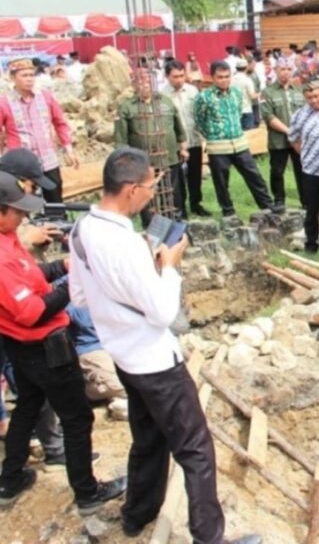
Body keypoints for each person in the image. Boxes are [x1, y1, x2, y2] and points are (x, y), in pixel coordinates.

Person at [69, 148, 261, 544]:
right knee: (195, 449)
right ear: (129, 189)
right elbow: (160, 312)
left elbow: (81, 297)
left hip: (123, 356)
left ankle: (136, 514)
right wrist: (168, 266)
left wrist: (135, 282)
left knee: (148, 438)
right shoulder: (126, 245)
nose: (151, 194)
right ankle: (209, 536)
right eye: (149, 187)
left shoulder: (82, 230)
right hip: (155, 361)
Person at [0, 170, 127, 511]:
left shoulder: (8, 239)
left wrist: (62, 266)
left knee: (27, 406)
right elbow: (31, 311)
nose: (24, 216)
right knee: (76, 418)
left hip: (21, 347)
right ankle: (87, 493)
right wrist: (74, 282)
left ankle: (10, 478)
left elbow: (29, 276)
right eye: (17, 210)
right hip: (44, 347)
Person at [194, 61, 275, 218]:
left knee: (254, 175)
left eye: (227, 77)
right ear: (212, 77)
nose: (224, 80)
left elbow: (238, 113)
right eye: (220, 77)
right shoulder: (203, 97)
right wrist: (213, 134)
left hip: (239, 143)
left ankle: (267, 205)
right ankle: (228, 211)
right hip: (218, 146)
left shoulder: (236, 93)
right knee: (222, 182)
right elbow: (200, 120)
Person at [0, 58, 80, 203]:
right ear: (12, 78)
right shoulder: (4, 103)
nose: (29, 79)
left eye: (32, 75)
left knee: (55, 200)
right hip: (21, 165)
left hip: (48, 160)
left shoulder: (45, 96)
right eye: (24, 75)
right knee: (22, 203)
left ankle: (57, 223)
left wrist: (68, 149)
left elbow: (60, 123)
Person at [115, 69, 189, 221]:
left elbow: (178, 126)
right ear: (134, 84)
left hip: (168, 157)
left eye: (148, 81)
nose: (145, 85)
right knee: (147, 197)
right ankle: (152, 229)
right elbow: (121, 139)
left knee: (172, 193)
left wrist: (183, 147)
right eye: (141, 81)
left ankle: (176, 225)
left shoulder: (165, 101)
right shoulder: (127, 107)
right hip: (143, 163)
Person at [288, 78, 319, 252]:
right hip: (310, 169)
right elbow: (292, 138)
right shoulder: (300, 114)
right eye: (309, 98)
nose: (313, 100)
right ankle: (311, 242)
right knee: (312, 208)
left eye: (316, 96)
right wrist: (305, 153)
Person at [162, 60, 209, 217]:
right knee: (178, 180)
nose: (179, 79)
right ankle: (180, 209)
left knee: (195, 176)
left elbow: (200, 115)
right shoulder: (162, 96)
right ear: (167, 76)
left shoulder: (193, 91)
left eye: (182, 75)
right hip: (175, 145)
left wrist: (204, 137)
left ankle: (196, 204)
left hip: (193, 140)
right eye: (175, 76)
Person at [66, 304, 128, 417]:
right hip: (92, 347)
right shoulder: (71, 295)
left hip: (121, 343)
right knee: (117, 386)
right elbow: (84, 322)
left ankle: (119, 400)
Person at [260, 59, 298, 214]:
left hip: (299, 140)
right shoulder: (267, 92)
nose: (286, 72)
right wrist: (288, 131)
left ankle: (306, 200)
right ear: (275, 70)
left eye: (289, 68)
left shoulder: (299, 90)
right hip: (278, 140)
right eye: (282, 68)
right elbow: (268, 116)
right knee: (277, 171)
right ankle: (279, 200)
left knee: (302, 171)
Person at [231, 58, 258, 131]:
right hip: (246, 110)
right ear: (246, 67)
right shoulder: (247, 80)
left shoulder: (231, 79)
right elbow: (252, 96)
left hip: (235, 111)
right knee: (249, 135)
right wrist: (260, 94)